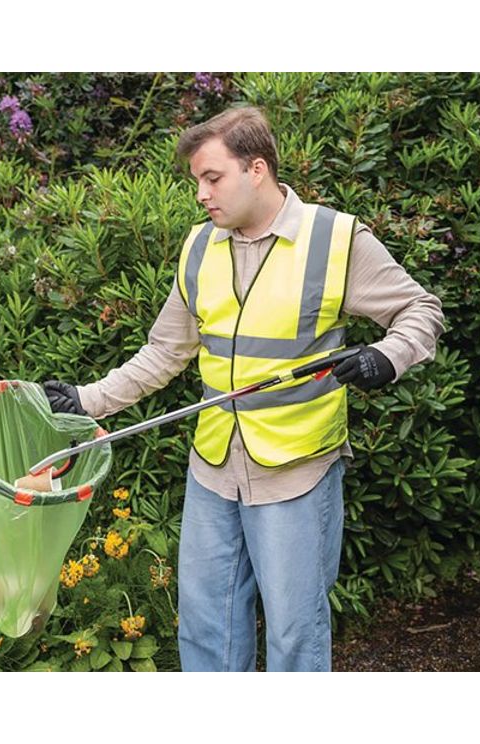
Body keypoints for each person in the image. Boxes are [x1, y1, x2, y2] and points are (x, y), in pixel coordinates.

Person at [43, 106, 445, 672]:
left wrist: (387, 356)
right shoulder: (200, 246)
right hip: (214, 467)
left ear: (257, 169)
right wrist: (88, 400)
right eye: (197, 181)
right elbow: (165, 350)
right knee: (206, 625)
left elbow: (420, 310)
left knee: (294, 632)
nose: (202, 194)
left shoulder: (334, 239)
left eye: (213, 178)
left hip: (297, 469)